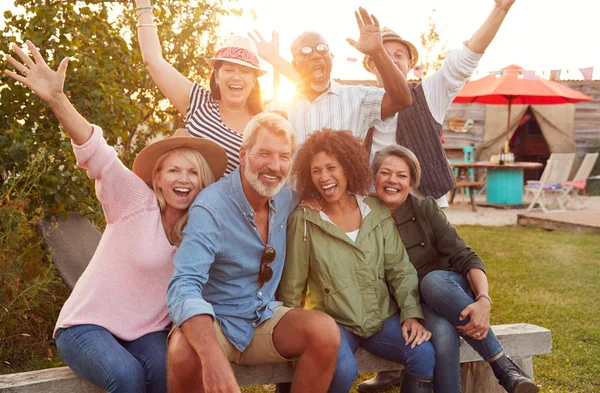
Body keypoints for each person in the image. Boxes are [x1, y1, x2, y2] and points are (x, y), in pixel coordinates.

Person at [4, 41, 228, 393]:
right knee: (126, 376)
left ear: (203, 182)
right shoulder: (136, 202)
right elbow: (98, 153)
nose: (183, 179)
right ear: (157, 178)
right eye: (173, 170)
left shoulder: (199, 230)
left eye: (192, 172)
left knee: (166, 370)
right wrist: (57, 99)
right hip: (86, 325)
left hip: (145, 333)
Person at [166, 112, 340, 393]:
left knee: (324, 331)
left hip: (261, 316)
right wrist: (214, 362)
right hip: (216, 322)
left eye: (284, 156)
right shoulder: (210, 207)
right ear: (243, 154)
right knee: (184, 352)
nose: (275, 166)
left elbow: (316, 191)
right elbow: (183, 286)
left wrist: (313, 197)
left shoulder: (285, 197)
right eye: (264, 153)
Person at [358, 144, 538, 393]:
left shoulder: (425, 209)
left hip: (447, 288)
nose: (392, 181)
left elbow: (466, 256)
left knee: (432, 281)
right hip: (413, 303)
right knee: (442, 333)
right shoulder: (363, 213)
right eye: (385, 173)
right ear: (374, 177)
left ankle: (502, 367)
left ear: (411, 182)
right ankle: (504, 369)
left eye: (402, 175)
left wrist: (484, 300)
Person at [279, 129, 435, 393]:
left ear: (348, 169)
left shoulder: (375, 212)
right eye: (316, 170)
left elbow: (400, 270)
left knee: (423, 353)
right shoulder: (304, 220)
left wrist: (411, 313)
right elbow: (292, 286)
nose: (324, 177)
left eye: (331, 168)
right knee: (343, 369)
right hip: (333, 324)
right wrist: (293, 338)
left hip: (381, 319)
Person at [362, 0, 517, 208]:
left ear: (410, 65)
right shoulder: (359, 101)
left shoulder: (428, 94)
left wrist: (500, 10)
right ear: (372, 65)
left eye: (399, 56)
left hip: (424, 207)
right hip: (371, 206)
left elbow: (465, 61)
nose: (392, 61)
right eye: (383, 54)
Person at [135, 0, 268, 174]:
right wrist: (142, 4)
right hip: (187, 198)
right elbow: (153, 60)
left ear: (253, 82)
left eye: (245, 71)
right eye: (229, 69)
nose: (237, 77)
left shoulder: (264, 123)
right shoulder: (198, 101)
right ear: (217, 76)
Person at [262, 7, 413, 145]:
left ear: (332, 57)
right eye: (306, 51)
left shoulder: (358, 98)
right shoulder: (274, 109)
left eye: (322, 49)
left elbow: (401, 100)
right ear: (295, 65)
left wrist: (377, 51)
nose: (316, 55)